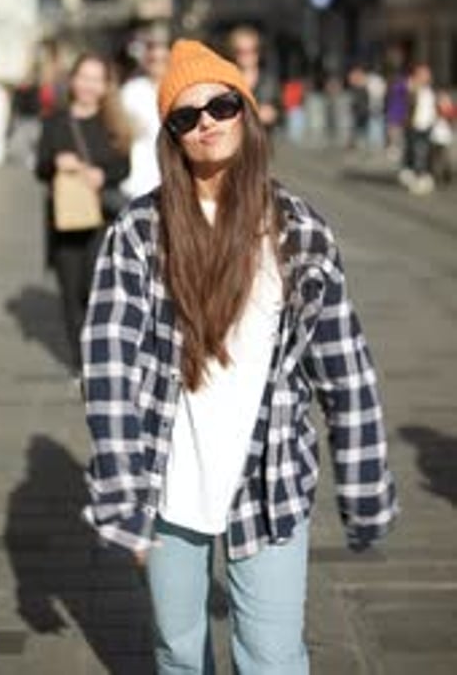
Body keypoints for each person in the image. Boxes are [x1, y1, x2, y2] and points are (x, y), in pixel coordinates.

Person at [81, 40, 398, 675]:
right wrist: (122, 492)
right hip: (170, 485)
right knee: (177, 652)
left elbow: (344, 366)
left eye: (222, 105)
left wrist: (365, 492)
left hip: (270, 477)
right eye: (185, 116)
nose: (206, 123)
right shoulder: (140, 232)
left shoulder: (299, 231)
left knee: (273, 659)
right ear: (170, 136)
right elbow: (108, 363)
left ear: (246, 114)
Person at [36, 53, 130, 375]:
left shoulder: (113, 120)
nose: (89, 85)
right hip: (65, 220)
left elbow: (123, 166)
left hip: (101, 219)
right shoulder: (55, 121)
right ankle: (82, 366)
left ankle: (103, 355)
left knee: (96, 290)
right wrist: (56, 163)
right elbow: (40, 168)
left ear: (105, 86)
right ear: (73, 80)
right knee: (71, 295)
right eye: (84, 77)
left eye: (96, 79)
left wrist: (102, 175)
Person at [118, 36, 168, 199]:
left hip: (171, 175)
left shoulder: (180, 89)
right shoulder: (131, 90)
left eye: (163, 60)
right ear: (145, 62)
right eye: (153, 60)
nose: (158, 65)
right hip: (139, 179)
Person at [228, 25, 280, 130]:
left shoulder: (269, 81)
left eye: (252, 50)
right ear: (233, 53)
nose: (248, 56)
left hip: (264, 140)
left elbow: (281, 112)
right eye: (241, 51)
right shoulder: (227, 81)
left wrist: (274, 114)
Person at [399, 63, 437, 195]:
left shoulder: (429, 89)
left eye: (428, 74)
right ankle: (418, 179)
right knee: (418, 152)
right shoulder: (411, 87)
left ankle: (421, 177)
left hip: (428, 125)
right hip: (415, 126)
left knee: (424, 153)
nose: (427, 76)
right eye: (424, 74)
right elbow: (403, 103)